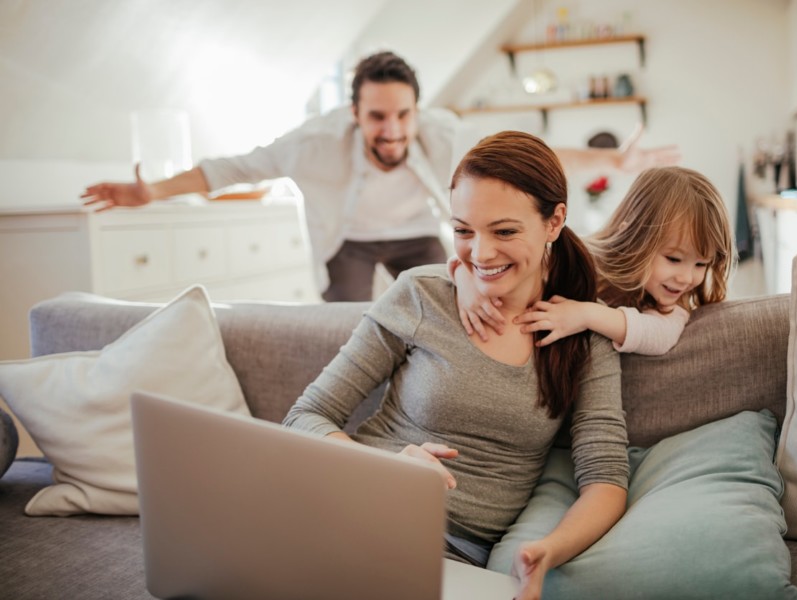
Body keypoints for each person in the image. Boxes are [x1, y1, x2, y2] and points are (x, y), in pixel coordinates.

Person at [282, 131, 629, 599]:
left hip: (449, 552)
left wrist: (549, 550)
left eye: (504, 231)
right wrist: (384, 465)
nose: (480, 254)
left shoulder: (583, 336)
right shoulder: (423, 295)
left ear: (554, 221)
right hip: (347, 505)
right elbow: (305, 416)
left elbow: (605, 481)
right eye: (464, 231)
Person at [80, 50, 680, 302]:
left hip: (416, 229)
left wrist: (612, 162)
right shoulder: (312, 144)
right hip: (347, 240)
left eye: (402, 115)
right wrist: (150, 191)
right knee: (344, 317)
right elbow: (230, 167)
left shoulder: (444, 134)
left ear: (417, 111)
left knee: (447, 299)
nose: (391, 130)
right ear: (355, 114)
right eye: (377, 117)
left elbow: (532, 155)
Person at [452, 166, 734, 355]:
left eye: (701, 264)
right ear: (632, 236)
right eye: (674, 259)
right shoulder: (583, 258)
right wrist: (466, 283)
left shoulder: (673, 304)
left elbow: (661, 336)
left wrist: (584, 315)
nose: (686, 277)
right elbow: (474, 260)